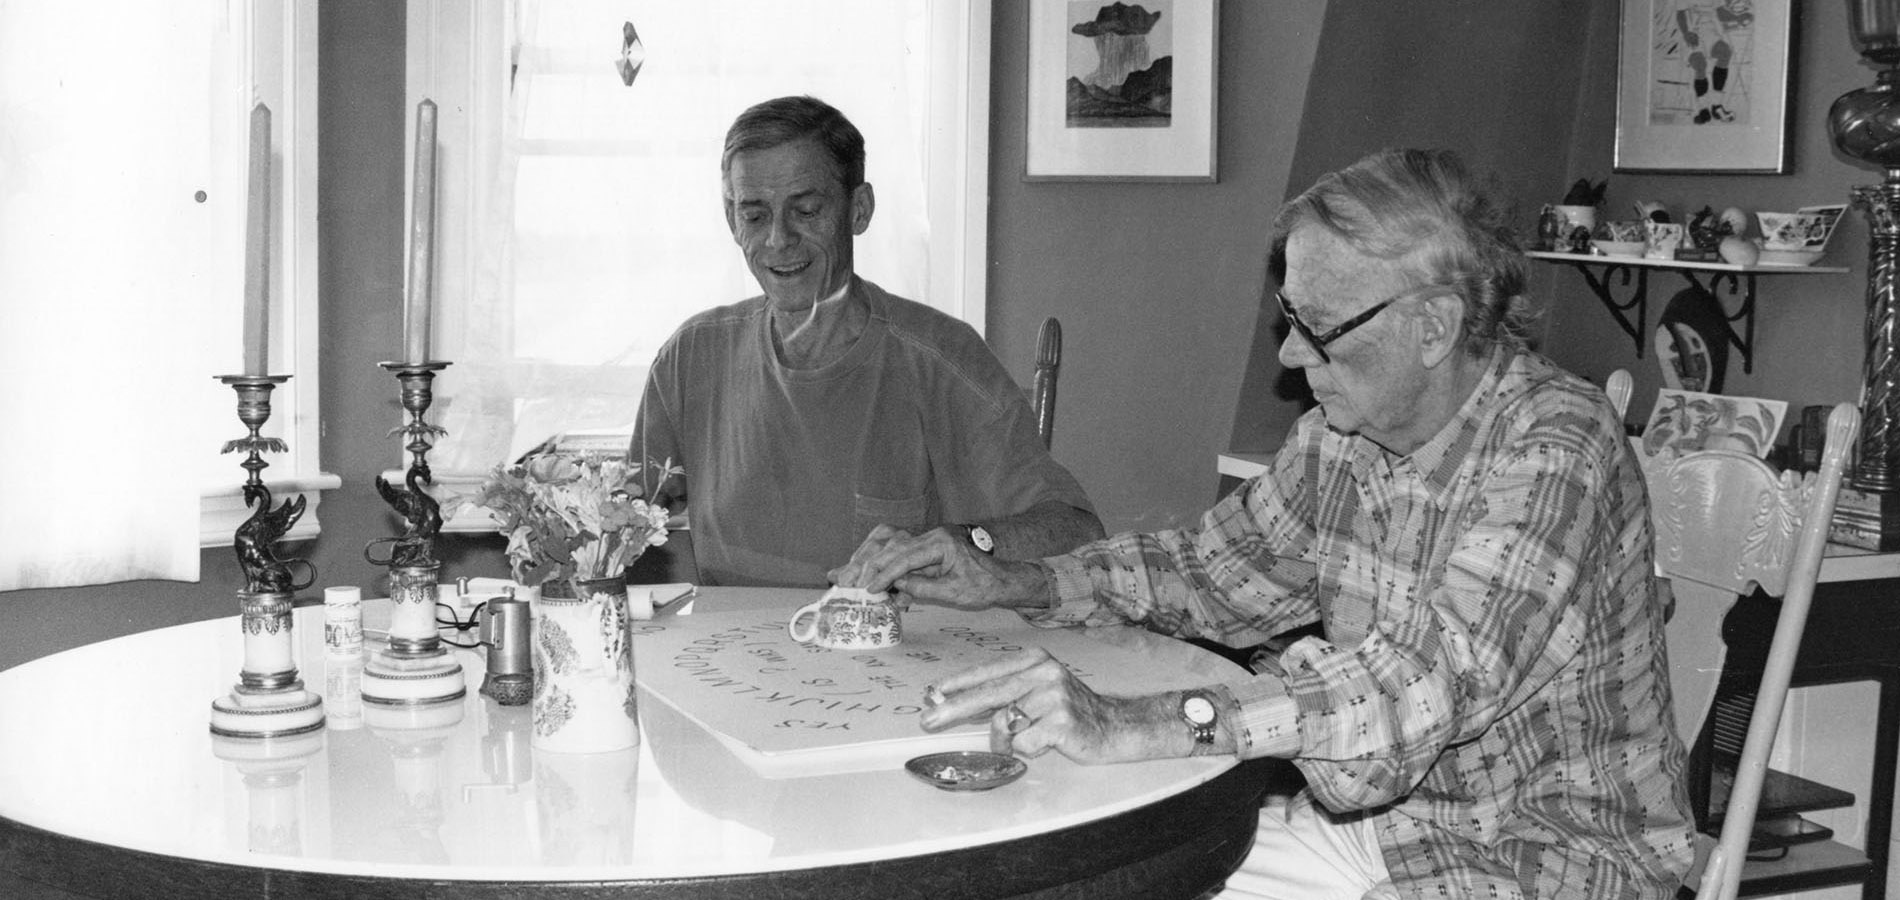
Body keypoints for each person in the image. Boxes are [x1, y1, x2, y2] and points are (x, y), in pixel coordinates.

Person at [835, 149, 1697, 899]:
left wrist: (1133, 722)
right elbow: (1206, 574)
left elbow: (1415, 690)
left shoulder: (1558, 444)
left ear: (1434, 326)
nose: (1288, 355)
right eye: (1290, 320)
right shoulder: (1339, 439)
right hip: (1386, 833)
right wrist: (1013, 581)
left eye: (1316, 327)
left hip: (1543, 864)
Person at [630, 95, 1102, 588]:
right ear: (731, 221)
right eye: (753, 216)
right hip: (726, 658)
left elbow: (1078, 531)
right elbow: (619, 535)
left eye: (806, 210)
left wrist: (962, 541)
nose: (778, 239)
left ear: (859, 210)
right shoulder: (690, 357)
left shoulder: (941, 358)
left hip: (892, 657)